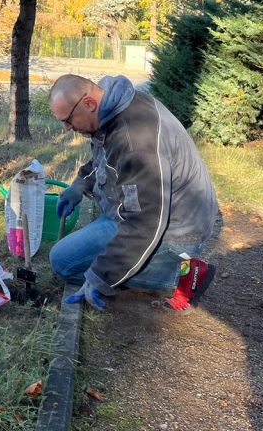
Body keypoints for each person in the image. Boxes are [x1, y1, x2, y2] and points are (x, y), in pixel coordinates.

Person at [48, 74, 221, 312]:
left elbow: (146, 221)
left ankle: (181, 272)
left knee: (64, 263)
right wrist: (80, 185)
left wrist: (101, 276)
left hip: (175, 230)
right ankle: (153, 266)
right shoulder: (112, 109)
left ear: (88, 103)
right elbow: (106, 161)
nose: (68, 128)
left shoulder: (135, 139)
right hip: (130, 211)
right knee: (68, 257)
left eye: (67, 120)